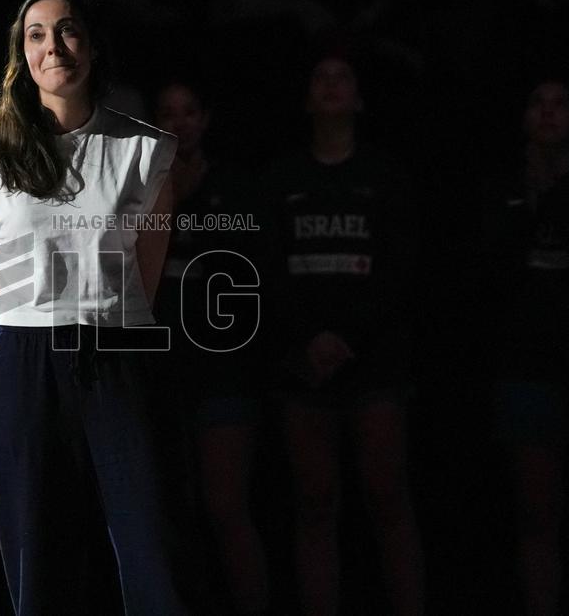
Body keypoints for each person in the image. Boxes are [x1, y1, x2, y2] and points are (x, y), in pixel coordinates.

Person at [0, 0, 189, 615]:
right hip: (24, 362)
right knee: (40, 570)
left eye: (68, 30)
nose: (53, 46)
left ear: (93, 45)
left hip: (118, 356)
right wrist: (28, 357)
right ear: (20, 54)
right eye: (36, 34)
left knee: (151, 560)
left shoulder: (146, 151)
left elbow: (144, 274)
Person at [257, 50, 424, 616]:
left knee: (387, 499)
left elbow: (400, 270)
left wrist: (349, 337)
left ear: (359, 98)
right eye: (320, 77)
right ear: (307, 99)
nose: (331, 86)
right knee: (314, 502)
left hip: (374, 363)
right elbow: (268, 269)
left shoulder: (386, 177)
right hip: (305, 364)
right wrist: (309, 340)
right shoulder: (281, 179)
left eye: (343, 77)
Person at [152, 78, 269, 615]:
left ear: (206, 119)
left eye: (190, 111)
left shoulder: (238, 189)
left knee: (225, 508)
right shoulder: (140, 191)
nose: (180, 123)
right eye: (169, 113)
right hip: (159, 375)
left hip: (225, 373)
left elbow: (249, 277)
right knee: (170, 509)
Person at [482, 76, 569, 616]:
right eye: (537, 103)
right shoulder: (502, 190)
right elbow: (490, 275)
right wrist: (532, 202)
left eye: (560, 104)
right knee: (536, 512)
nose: (548, 114)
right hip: (524, 366)